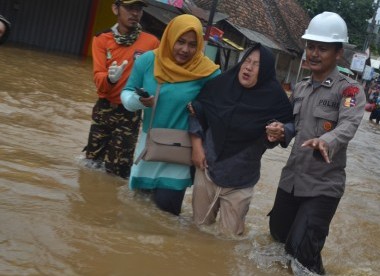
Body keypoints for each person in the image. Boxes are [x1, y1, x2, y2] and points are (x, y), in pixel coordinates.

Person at [265, 12, 365, 275]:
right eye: (311, 46)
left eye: (322, 48)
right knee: (278, 240)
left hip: (323, 187)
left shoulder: (349, 90)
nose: (314, 53)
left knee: (301, 255)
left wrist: (326, 140)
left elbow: (348, 125)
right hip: (292, 180)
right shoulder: (300, 88)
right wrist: (279, 131)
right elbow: (291, 127)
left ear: (338, 53)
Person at [188, 43, 293, 236]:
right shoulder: (220, 85)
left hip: (240, 183)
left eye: (257, 64)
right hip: (207, 170)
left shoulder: (274, 100)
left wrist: (279, 133)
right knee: (197, 232)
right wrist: (196, 146)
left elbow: (286, 127)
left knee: (228, 243)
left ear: (266, 71)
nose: (248, 67)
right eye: (247, 61)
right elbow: (197, 110)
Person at [120, 14, 220, 216]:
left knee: (166, 217)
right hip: (148, 150)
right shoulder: (148, 61)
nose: (185, 49)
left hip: (179, 156)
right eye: (180, 41)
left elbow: (220, 108)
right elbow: (126, 93)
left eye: (192, 44)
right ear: (170, 37)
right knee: (134, 216)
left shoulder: (207, 72)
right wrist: (139, 101)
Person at [83, 0, 160, 179]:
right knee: (91, 164)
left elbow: (158, 77)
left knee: (119, 170)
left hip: (130, 112)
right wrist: (110, 79)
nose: (135, 13)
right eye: (130, 8)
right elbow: (98, 79)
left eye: (139, 9)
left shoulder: (152, 43)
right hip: (104, 108)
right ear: (116, 8)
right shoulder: (102, 39)